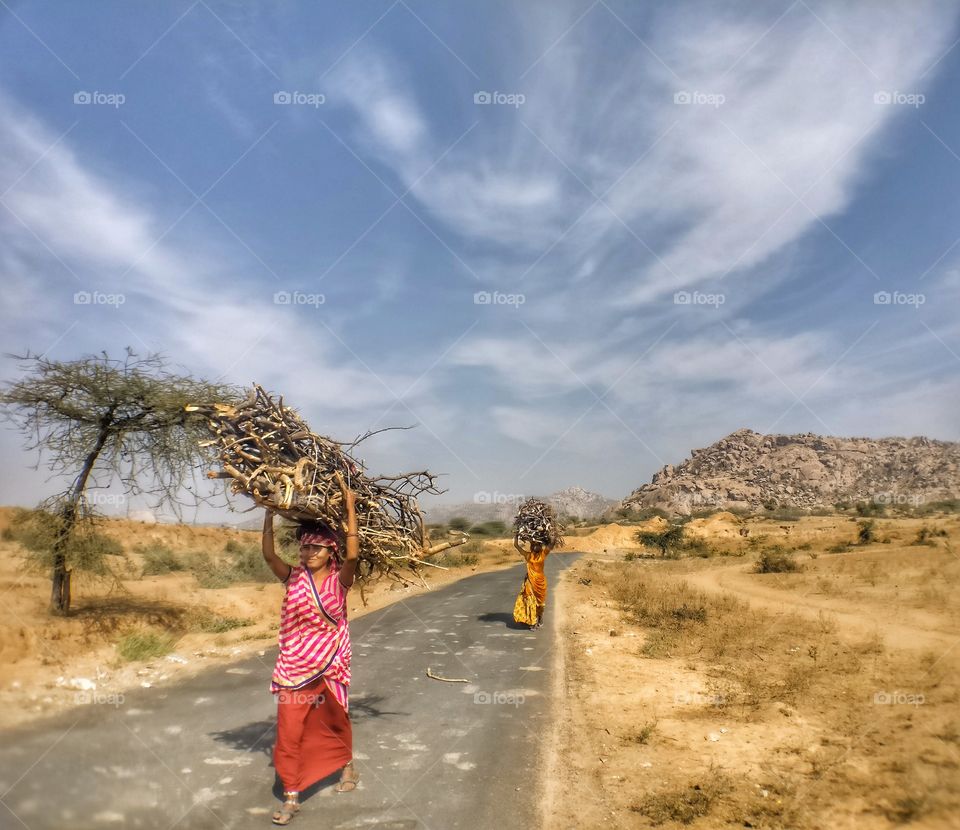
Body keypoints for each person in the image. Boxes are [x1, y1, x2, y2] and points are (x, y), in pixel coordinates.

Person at [261, 476, 360, 825]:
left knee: (335, 719)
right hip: (294, 665)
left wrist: (349, 505)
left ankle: (346, 764)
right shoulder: (293, 577)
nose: (308, 553)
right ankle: (291, 795)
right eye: (304, 548)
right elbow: (269, 554)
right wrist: (269, 512)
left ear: (329, 551)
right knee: (288, 730)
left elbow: (353, 553)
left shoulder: (340, 581)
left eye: (315, 548)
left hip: (331, 662)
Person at [512, 534, 552, 629]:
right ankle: (532, 622)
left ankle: (540, 617)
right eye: (533, 545)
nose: (535, 546)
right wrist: (517, 535)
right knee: (530, 600)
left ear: (540, 546)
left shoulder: (543, 554)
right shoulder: (528, 555)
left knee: (541, 604)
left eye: (537, 545)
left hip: (540, 582)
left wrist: (552, 535)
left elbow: (551, 544)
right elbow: (516, 546)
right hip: (530, 582)